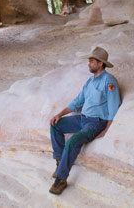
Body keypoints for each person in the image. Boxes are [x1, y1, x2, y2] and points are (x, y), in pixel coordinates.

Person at [48, 46, 121, 195]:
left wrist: (106, 129)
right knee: (55, 126)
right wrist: (60, 114)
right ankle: (60, 162)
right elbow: (78, 101)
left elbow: (114, 107)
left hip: (95, 123)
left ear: (100, 64)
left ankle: (61, 179)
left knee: (73, 141)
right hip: (82, 118)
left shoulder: (109, 81)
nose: (89, 64)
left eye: (92, 61)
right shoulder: (90, 81)